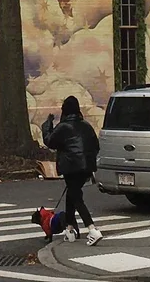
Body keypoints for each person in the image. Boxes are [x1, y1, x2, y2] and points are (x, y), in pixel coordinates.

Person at [42, 96, 102, 246]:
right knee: (72, 194)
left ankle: (92, 229)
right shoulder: (86, 125)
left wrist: (47, 125)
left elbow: (49, 141)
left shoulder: (63, 127)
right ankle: (69, 229)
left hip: (71, 166)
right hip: (87, 166)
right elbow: (96, 145)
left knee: (76, 197)